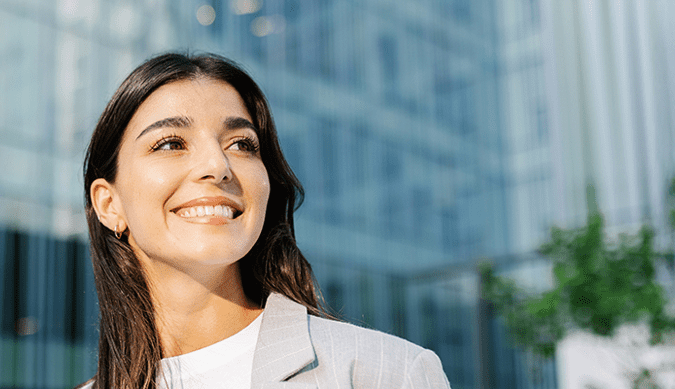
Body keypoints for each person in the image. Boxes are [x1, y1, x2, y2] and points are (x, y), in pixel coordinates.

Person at [79, 53, 450, 389]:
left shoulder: (385, 372)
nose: (217, 167)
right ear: (109, 204)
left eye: (241, 144)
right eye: (171, 143)